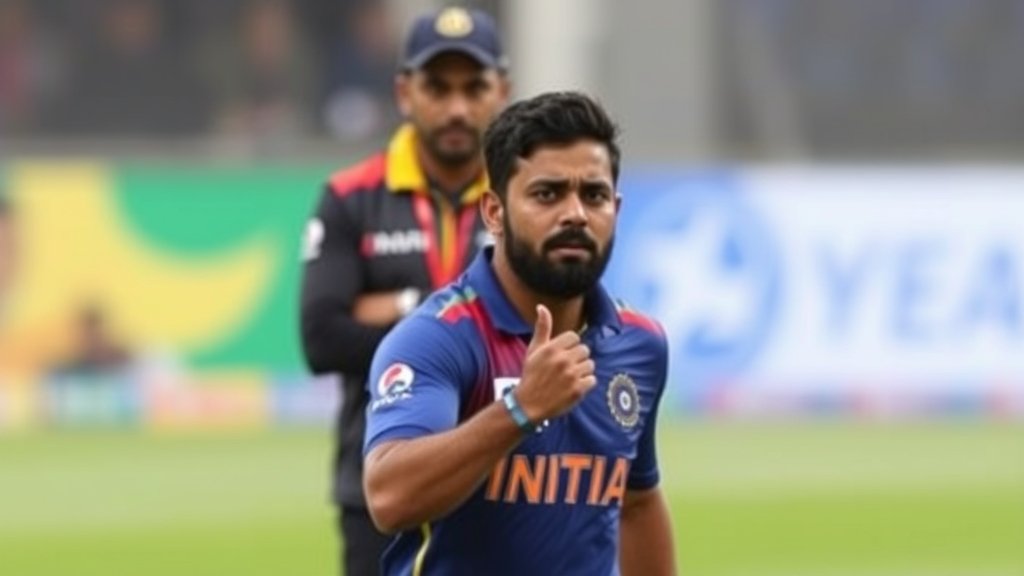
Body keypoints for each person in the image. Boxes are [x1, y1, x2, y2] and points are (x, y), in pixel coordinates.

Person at [363, 92, 677, 575]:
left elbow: (636, 503)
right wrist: (520, 409)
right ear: (494, 212)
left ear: (615, 207)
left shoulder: (640, 344)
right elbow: (389, 497)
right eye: (547, 194)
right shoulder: (437, 339)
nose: (575, 214)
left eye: (593, 196)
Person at [298, 7, 510, 575]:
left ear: (503, 90)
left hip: (506, 484)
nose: (457, 108)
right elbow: (321, 338)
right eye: (437, 88)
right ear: (404, 92)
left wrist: (392, 308)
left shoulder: (529, 198)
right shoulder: (350, 196)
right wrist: (452, 320)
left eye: (475, 87)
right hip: (378, 485)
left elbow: (549, 323)